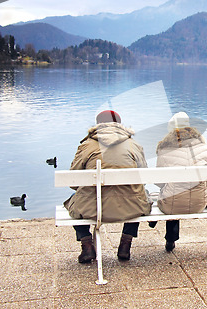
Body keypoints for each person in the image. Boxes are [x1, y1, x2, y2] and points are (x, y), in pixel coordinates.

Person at [63, 110, 151, 263]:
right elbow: (143, 178)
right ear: (119, 125)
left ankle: (87, 245)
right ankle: (125, 244)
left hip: (92, 207)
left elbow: (73, 181)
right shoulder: (133, 145)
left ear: (98, 125)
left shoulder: (87, 146)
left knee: (73, 199)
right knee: (141, 195)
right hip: (131, 207)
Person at [154, 112, 207, 252]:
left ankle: (170, 238)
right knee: (176, 192)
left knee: (170, 194)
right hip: (198, 203)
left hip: (171, 205)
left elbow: (159, 181)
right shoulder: (202, 147)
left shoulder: (165, 148)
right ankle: (170, 239)